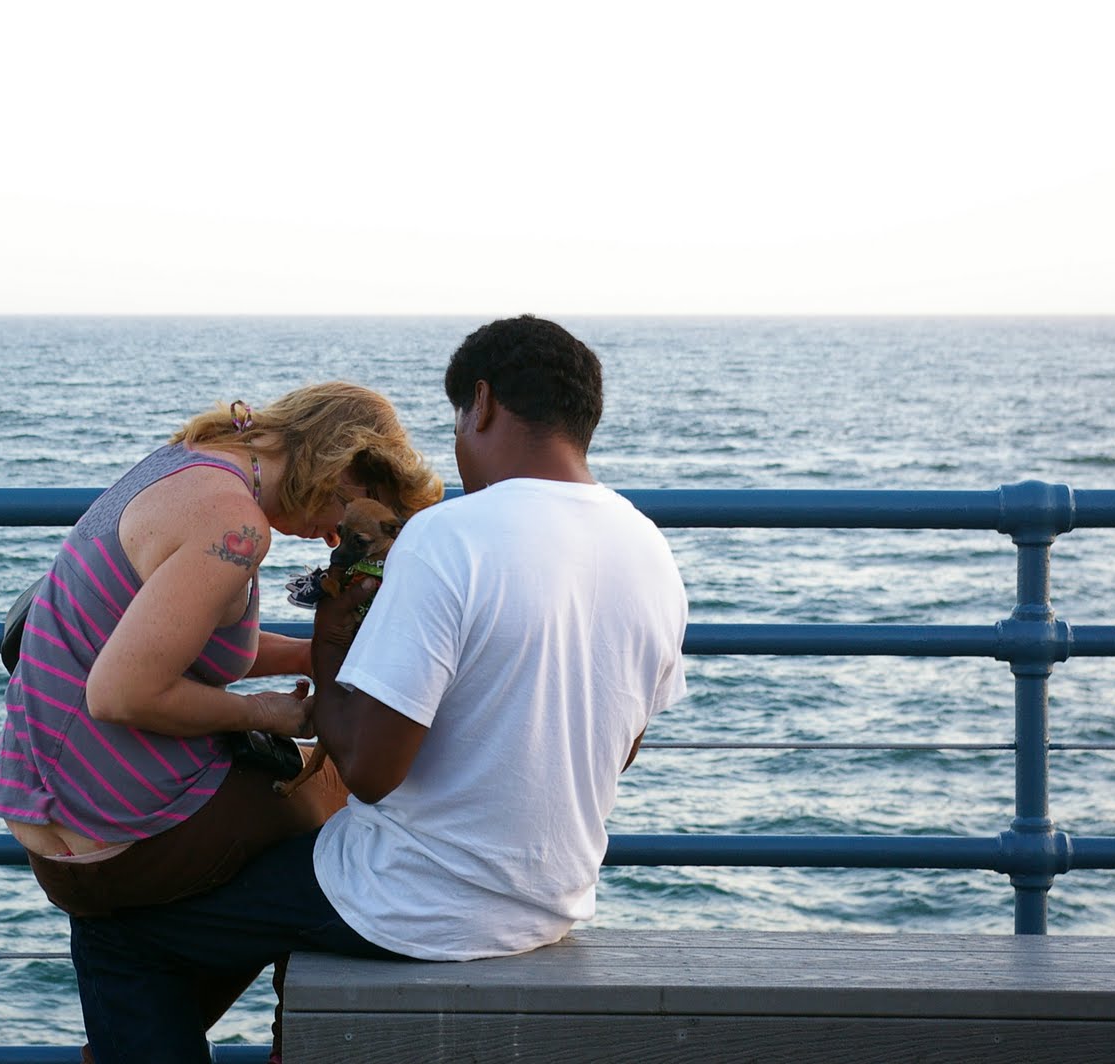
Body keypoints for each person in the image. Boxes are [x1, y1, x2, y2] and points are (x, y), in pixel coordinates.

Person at [65, 316, 689, 1063]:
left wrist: (334, 621)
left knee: (120, 930)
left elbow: (367, 770)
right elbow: (619, 748)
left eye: (460, 421)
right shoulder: (648, 547)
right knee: (260, 882)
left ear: (481, 404)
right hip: (550, 898)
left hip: (414, 905)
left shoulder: (452, 536)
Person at [0, 382, 442, 1034]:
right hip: (124, 837)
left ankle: (145, 1029)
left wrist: (321, 655)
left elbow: (171, 640)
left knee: (214, 914)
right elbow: (122, 693)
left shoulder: (186, 463)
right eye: (356, 503)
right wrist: (267, 716)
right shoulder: (234, 525)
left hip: (55, 831)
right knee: (348, 796)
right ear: (338, 465)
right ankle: (293, 1034)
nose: (340, 531)